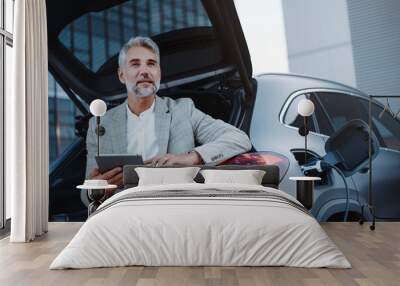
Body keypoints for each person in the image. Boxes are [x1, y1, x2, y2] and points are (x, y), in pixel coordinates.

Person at [86, 36, 252, 187]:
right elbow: (86, 194)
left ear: (159, 73)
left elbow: (239, 139)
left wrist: (191, 159)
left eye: (151, 64)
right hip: (124, 211)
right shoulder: (100, 124)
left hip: (175, 207)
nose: (144, 70)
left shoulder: (183, 110)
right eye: (135, 64)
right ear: (122, 75)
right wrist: (97, 189)